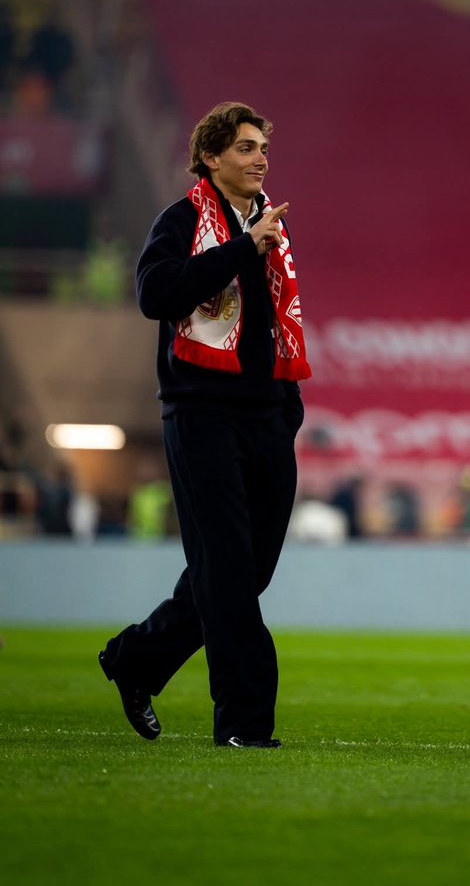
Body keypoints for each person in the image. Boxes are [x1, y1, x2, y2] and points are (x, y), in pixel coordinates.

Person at [99, 101, 310, 748]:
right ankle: (244, 722)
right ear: (211, 158)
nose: (259, 158)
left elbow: (273, 323)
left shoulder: (270, 227)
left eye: (264, 148)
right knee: (227, 573)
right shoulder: (184, 219)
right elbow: (155, 294)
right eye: (245, 147)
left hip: (266, 419)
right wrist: (243, 248)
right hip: (201, 414)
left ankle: (138, 657)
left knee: (245, 572)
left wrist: (286, 410)